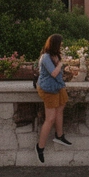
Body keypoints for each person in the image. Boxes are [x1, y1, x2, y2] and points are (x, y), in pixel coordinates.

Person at [35, 34, 72, 163]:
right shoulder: (45, 57)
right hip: (49, 88)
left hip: (58, 86)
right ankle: (40, 147)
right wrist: (60, 64)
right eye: (60, 44)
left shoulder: (55, 55)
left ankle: (59, 135)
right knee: (50, 118)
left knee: (60, 109)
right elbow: (54, 73)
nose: (61, 46)